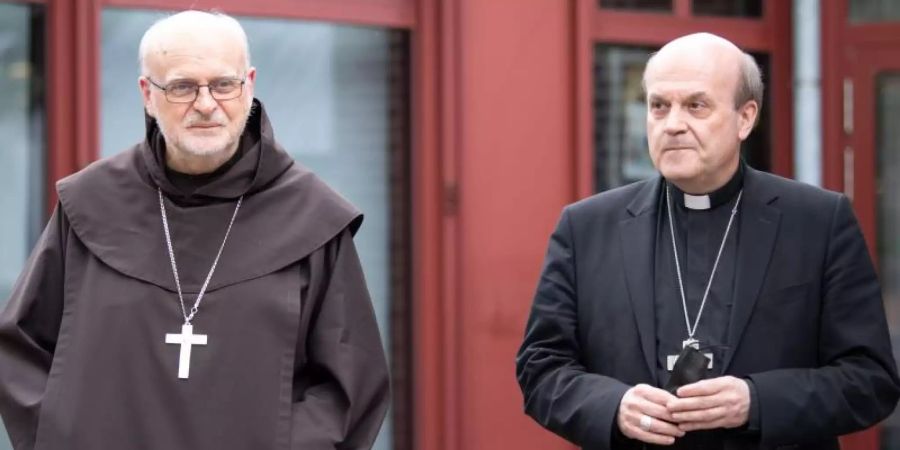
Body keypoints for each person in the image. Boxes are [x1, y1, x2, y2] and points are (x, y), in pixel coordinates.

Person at [0, 10, 389, 450]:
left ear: (250, 84)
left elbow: (348, 386)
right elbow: (20, 349)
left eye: (224, 84)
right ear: (148, 94)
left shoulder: (314, 218)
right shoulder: (90, 203)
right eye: (183, 86)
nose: (206, 104)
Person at [516, 32, 900, 449]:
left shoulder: (817, 222)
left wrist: (756, 401)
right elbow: (541, 368)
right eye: (659, 106)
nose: (673, 124)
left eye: (696, 105)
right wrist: (613, 405)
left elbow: (870, 379)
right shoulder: (586, 227)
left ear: (745, 118)